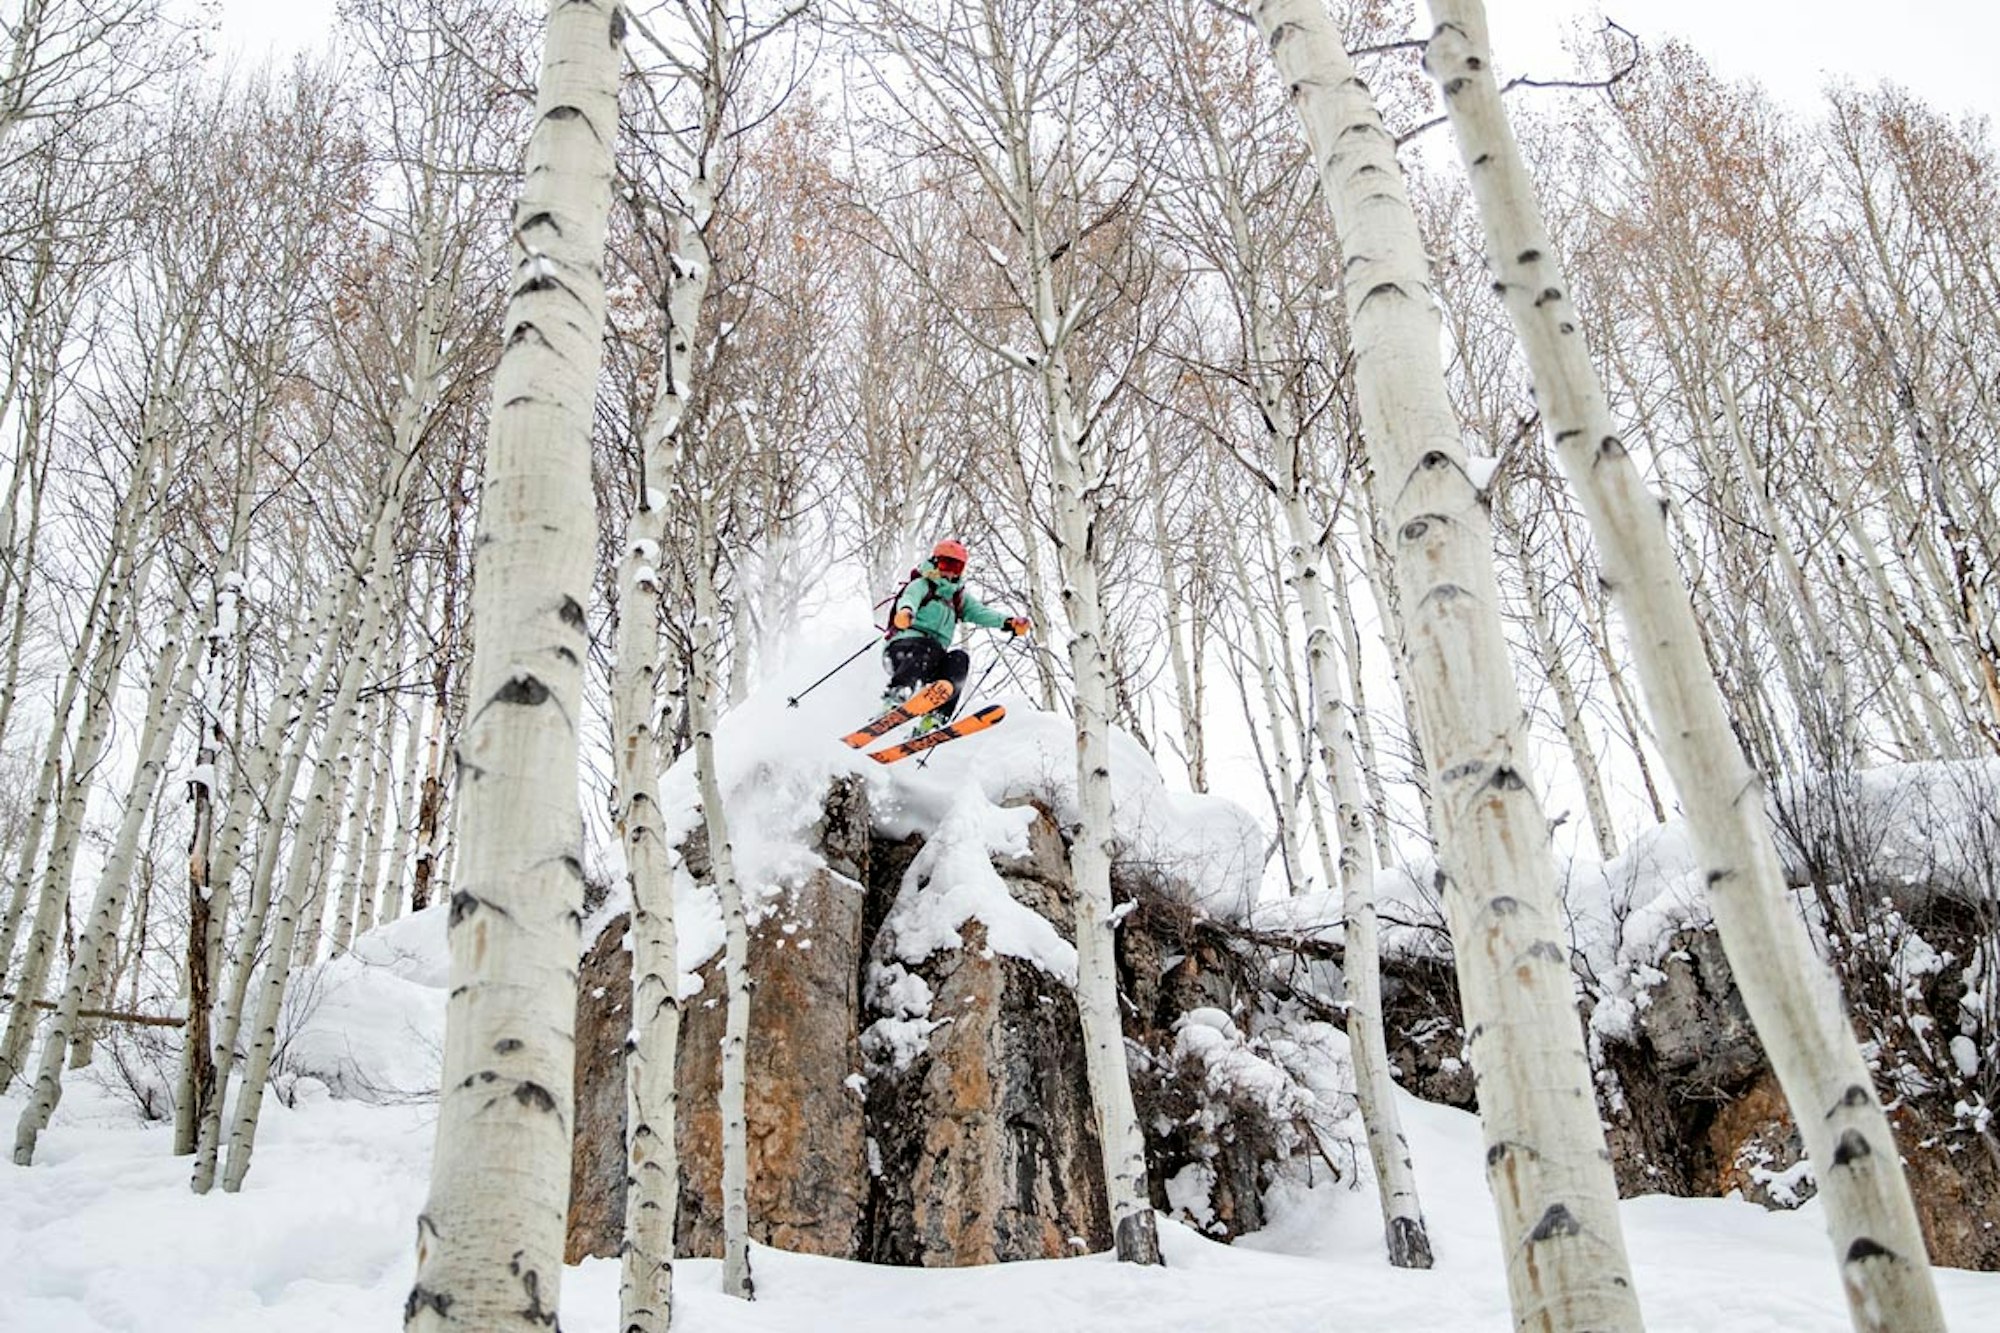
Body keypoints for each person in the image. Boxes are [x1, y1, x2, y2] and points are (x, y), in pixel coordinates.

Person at [883, 538, 1030, 732]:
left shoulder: (957, 597)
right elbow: (909, 598)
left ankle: (935, 719)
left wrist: (1008, 622)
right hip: (904, 650)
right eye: (946, 563)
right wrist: (905, 613)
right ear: (935, 562)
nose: (950, 571)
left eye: (957, 567)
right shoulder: (922, 585)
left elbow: (980, 612)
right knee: (927, 647)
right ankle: (896, 696)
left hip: (932, 658)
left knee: (959, 659)